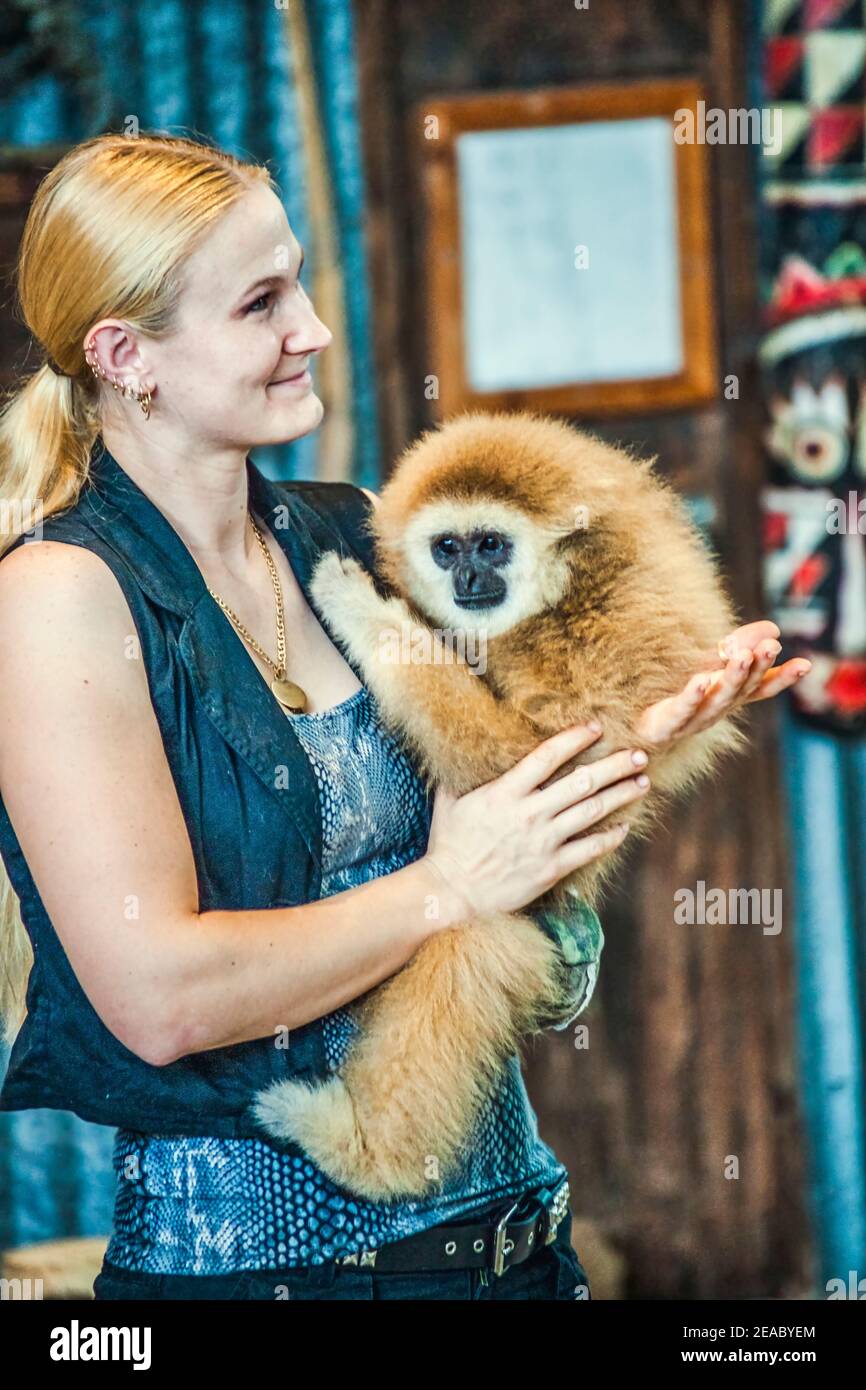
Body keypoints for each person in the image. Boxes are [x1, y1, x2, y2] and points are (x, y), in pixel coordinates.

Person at [0, 133, 808, 1303]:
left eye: (302, 281)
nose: (313, 329)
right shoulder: (58, 601)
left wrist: (652, 728)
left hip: (515, 1244)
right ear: (128, 356)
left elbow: (513, 802)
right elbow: (162, 998)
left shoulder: (359, 536)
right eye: (262, 301)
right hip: (270, 1279)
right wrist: (448, 887)